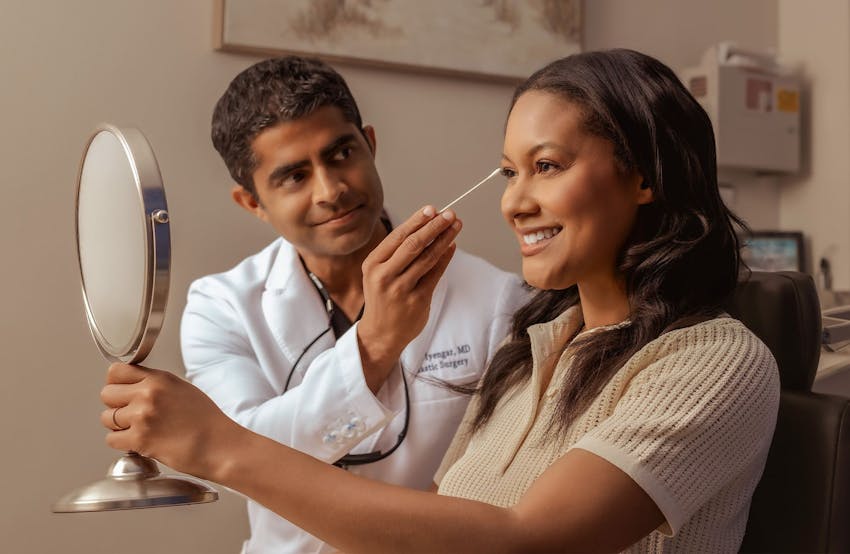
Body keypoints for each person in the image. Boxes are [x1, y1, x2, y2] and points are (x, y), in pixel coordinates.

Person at [101, 49, 780, 553]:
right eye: (510, 173)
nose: (513, 202)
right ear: (251, 202)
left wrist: (223, 445)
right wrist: (367, 353)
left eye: (545, 166)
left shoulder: (714, 361)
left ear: (645, 175)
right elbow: (439, 511)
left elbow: (526, 541)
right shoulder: (536, 347)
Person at [175, 57, 527, 553]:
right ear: (252, 202)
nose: (332, 190)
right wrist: (375, 343)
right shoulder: (222, 307)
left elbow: (498, 489)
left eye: (341, 153)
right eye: (294, 176)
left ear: (371, 144)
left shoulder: (501, 302)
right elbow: (240, 462)